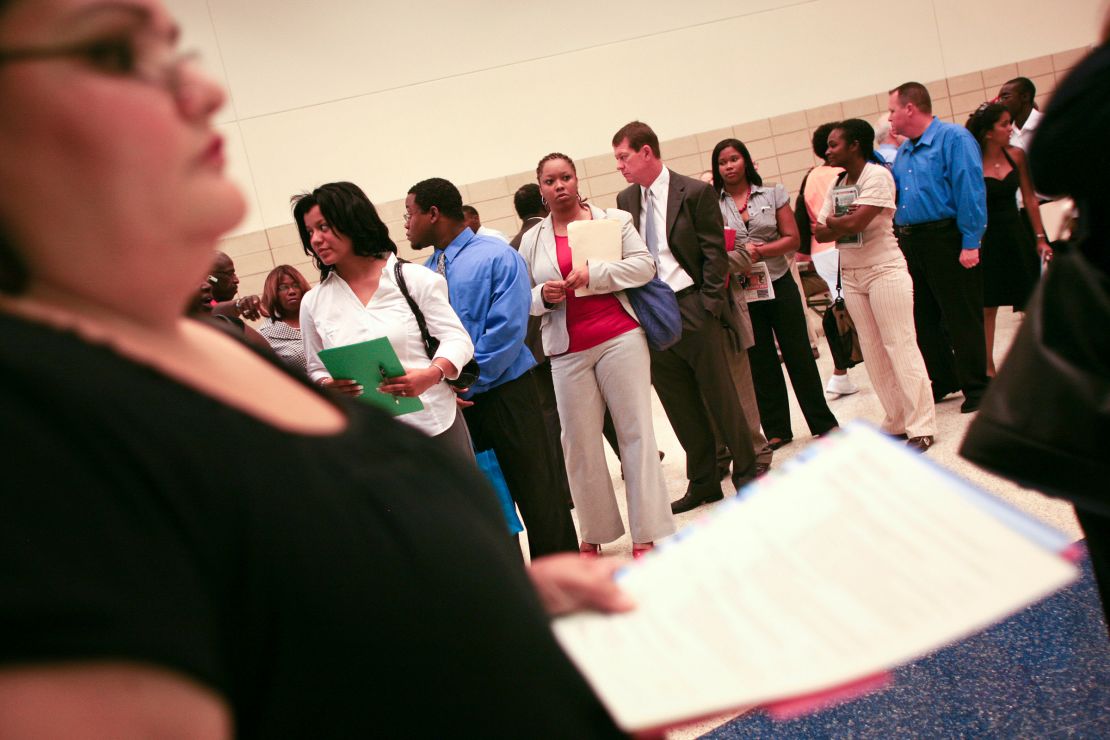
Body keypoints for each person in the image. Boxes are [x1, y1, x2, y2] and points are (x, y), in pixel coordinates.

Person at [0, 2, 627, 734]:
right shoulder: (39, 430)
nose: (204, 94)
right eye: (113, 55)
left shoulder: (206, 343)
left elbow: (294, 614)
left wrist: (487, 605)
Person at [405, 177, 579, 558]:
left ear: (433, 214)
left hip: (507, 393)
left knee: (538, 494)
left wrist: (465, 379)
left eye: (410, 214)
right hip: (462, 405)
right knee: (492, 504)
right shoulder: (424, 272)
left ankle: (563, 582)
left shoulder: (496, 255)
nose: (406, 224)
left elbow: (507, 329)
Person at [519, 152, 674, 559]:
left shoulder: (612, 220)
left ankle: (646, 531)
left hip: (619, 336)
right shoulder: (532, 239)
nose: (560, 186)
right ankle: (594, 531)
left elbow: (644, 267)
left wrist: (596, 274)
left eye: (565, 177)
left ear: (576, 179)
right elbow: (524, 298)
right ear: (542, 190)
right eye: (550, 181)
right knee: (578, 442)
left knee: (635, 432)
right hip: (567, 350)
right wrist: (543, 297)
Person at [612, 121, 756, 514]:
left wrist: (709, 305)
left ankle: (747, 474)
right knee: (679, 403)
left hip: (693, 305)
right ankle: (705, 482)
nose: (620, 166)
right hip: (652, 313)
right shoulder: (626, 201)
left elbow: (714, 254)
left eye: (623, 157)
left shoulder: (694, 191)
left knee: (721, 397)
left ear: (646, 152)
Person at [292, 182, 476, 459]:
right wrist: (328, 386)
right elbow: (316, 368)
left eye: (324, 227)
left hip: (433, 425)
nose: (316, 239)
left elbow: (457, 339)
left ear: (352, 221)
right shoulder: (314, 302)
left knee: (461, 504)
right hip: (368, 439)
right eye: (310, 232)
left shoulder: (414, 279)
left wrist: (431, 374)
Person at [815, 119, 937, 452]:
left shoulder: (877, 176)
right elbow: (819, 231)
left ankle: (921, 424)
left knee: (900, 343)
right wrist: (840, 223)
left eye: (834, 144)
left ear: (855, 145)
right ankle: (896, 420)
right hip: (852, 276)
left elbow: (855, 222)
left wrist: (838, 223)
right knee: (873, 350)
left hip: (884, 270)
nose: (828, 150)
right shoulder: (839, 182)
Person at [711, 137, 838, 451]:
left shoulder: (773, 192)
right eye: (722, 162)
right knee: (760, 361)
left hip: (779, 283)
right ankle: (778, 428)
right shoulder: (713, 205)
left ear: (746, 161)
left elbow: (792, 239)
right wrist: (742, 258)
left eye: (733, 159)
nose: (728, 166)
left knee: (799, 354)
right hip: (743, 293)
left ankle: (822, 421)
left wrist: (758, 252)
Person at [888, 81, 989, 411]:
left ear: (909, 109)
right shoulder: (904, 151)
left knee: (960, 315)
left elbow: (970, 191)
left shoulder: (954, 139)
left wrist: (970, 241)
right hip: (912, 242)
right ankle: (944, 378)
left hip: (947, 238)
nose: (889, 118)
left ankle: (977, 386)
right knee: (923, 318)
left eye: (892, 111)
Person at [964, 103, 1053, 376]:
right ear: (988, 132)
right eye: (1004, 124)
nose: (1010, 129)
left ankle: (1043, 358)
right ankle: (988, 367)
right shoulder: (972, 161)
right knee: (987, 304)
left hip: (1016, 230)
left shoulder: (1017, 155)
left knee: (1032, 298)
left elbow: (1029, 197)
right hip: (987, 237)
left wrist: (1040, 237)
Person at [794, 122, 859, 397]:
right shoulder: (842, 174)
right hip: (843, 246)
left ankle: (841, 373)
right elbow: (848, 218)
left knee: (840, 309)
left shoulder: (811, 177)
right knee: (854, 310)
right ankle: (840, 372)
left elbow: (804, 214)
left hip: (821, 251)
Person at [257, 263, 311, 373]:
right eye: (283, 288)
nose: (291, 291)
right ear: (273, 293)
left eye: (296, 285)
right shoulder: (264, 335)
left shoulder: (319, 317)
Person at [208, 250, 262, 321]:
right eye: (229, 274)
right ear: (210, 277)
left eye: (234, 274)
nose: (236, 280)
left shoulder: (213, 304)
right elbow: (212, 309)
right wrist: (238, 305)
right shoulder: (195, 308)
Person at [997, 77, 1041, 152]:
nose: (999, 103)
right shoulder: (1007, 135)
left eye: (1005, 97)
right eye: (999, 99)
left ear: (1025, 97)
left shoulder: (1048, 124)